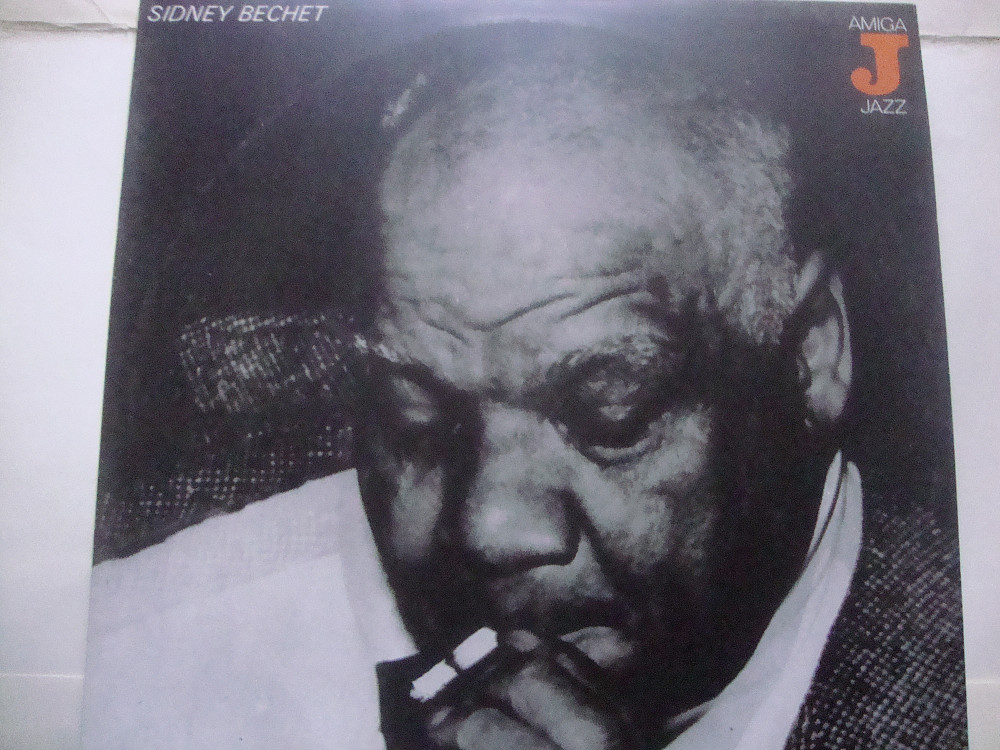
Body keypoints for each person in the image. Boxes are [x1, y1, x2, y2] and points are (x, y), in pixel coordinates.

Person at [81, 21, 966, 750]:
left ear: (810, 354)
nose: (490, 525)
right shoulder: (134, 612)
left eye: (609, 412)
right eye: (417, 417)